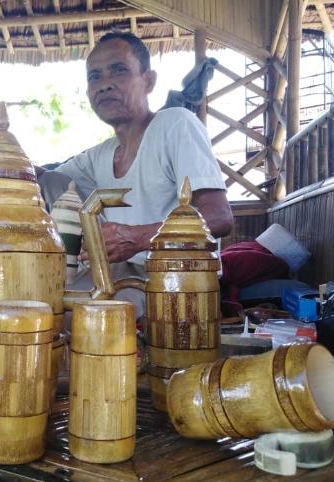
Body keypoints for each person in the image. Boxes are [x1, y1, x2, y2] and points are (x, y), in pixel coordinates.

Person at [38, 31, 233, 317]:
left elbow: (219, 218)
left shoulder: (176, 125)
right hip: (119, 273)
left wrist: (139, 238)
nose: (104, 85)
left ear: (148, 80)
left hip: (177, 280)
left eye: (118, 70)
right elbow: (46, 177)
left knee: (75, 322)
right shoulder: (100, 155)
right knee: (44, 309)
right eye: (94, 77)